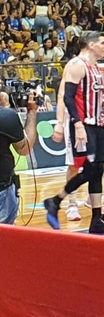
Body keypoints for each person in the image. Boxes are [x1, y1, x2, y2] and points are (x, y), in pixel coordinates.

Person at [43, 31, 104, 234]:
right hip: (83, 124)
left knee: (99, 169)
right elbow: (67, 97)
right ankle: (56, 200)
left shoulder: (96, 67)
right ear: (90, 44)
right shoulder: (77, 65)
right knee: (89, 169)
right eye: (102, 43)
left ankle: (96, 220)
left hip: (98, 123)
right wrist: (75, 125)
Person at [0, 87, 38, 224]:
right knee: (5, 239)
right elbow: (24, 149)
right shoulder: (6, 117)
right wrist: (32, 111)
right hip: (2, 190)